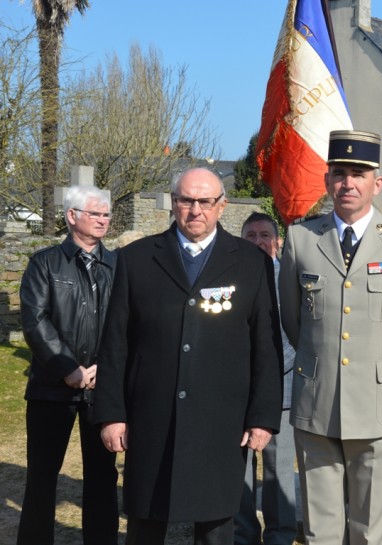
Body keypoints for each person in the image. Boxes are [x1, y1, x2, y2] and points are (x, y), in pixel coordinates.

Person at [94, 167, 283, 545]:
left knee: (215, 527)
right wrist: (112, 414)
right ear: (173, 203)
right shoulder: (135, 259)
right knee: (146, 521)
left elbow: (266, 345)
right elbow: (115, 344)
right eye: (186, 200)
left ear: (221, 205)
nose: (195, 210)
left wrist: (262, 417)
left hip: (220, 422)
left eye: (205, 201)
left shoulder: (250, 262)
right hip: (152, 418)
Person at [279, 130, 382, 545]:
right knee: (319, 529)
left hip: (378, 405)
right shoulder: (300, 238)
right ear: (327, 182)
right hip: (317, 400)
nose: (349, 183)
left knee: (371, 529)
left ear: (376, 184)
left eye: (359, 174)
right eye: (340, 174)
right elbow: (294, 319)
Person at [17, 186, 119, 545]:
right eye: (95, 213)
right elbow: (35, 320)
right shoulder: (44, 263)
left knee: (103, 477)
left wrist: (104, 370)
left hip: (103, 389)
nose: (103, 220)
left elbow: (128, 324)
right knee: (42, 477)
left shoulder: (118, 265)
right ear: (72, 216)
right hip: (51, 387)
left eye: (106, 214)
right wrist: (68, 368)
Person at [235, 212, 299, 545]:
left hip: (282, 391)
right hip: (237, 392)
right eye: (250, 235)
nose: (258, 241)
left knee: (278, 472)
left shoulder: (288, 279)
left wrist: (268, 374)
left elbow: (292, 334)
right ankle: (243, 535)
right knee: (238, 472)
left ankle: (280, 536)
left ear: (277, 242)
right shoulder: (231, 278)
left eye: (264, 235)